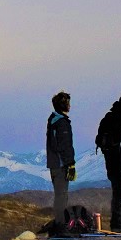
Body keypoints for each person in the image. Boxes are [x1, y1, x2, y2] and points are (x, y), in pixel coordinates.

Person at [95, 92, 121, 231]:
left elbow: (99, 140)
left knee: (118, 192)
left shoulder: (108, 118)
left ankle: (117, 224)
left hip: (112, 163)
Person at [46, 91, 75, 222]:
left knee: (60, 195)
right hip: (60, 164)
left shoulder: (53, 120)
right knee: (61, 196)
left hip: (54, 163)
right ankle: (60, 224)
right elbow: (64, 145)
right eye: (67, 102)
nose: (69, 105)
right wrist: (70, 164)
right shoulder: (61, 123)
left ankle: (60, 223)